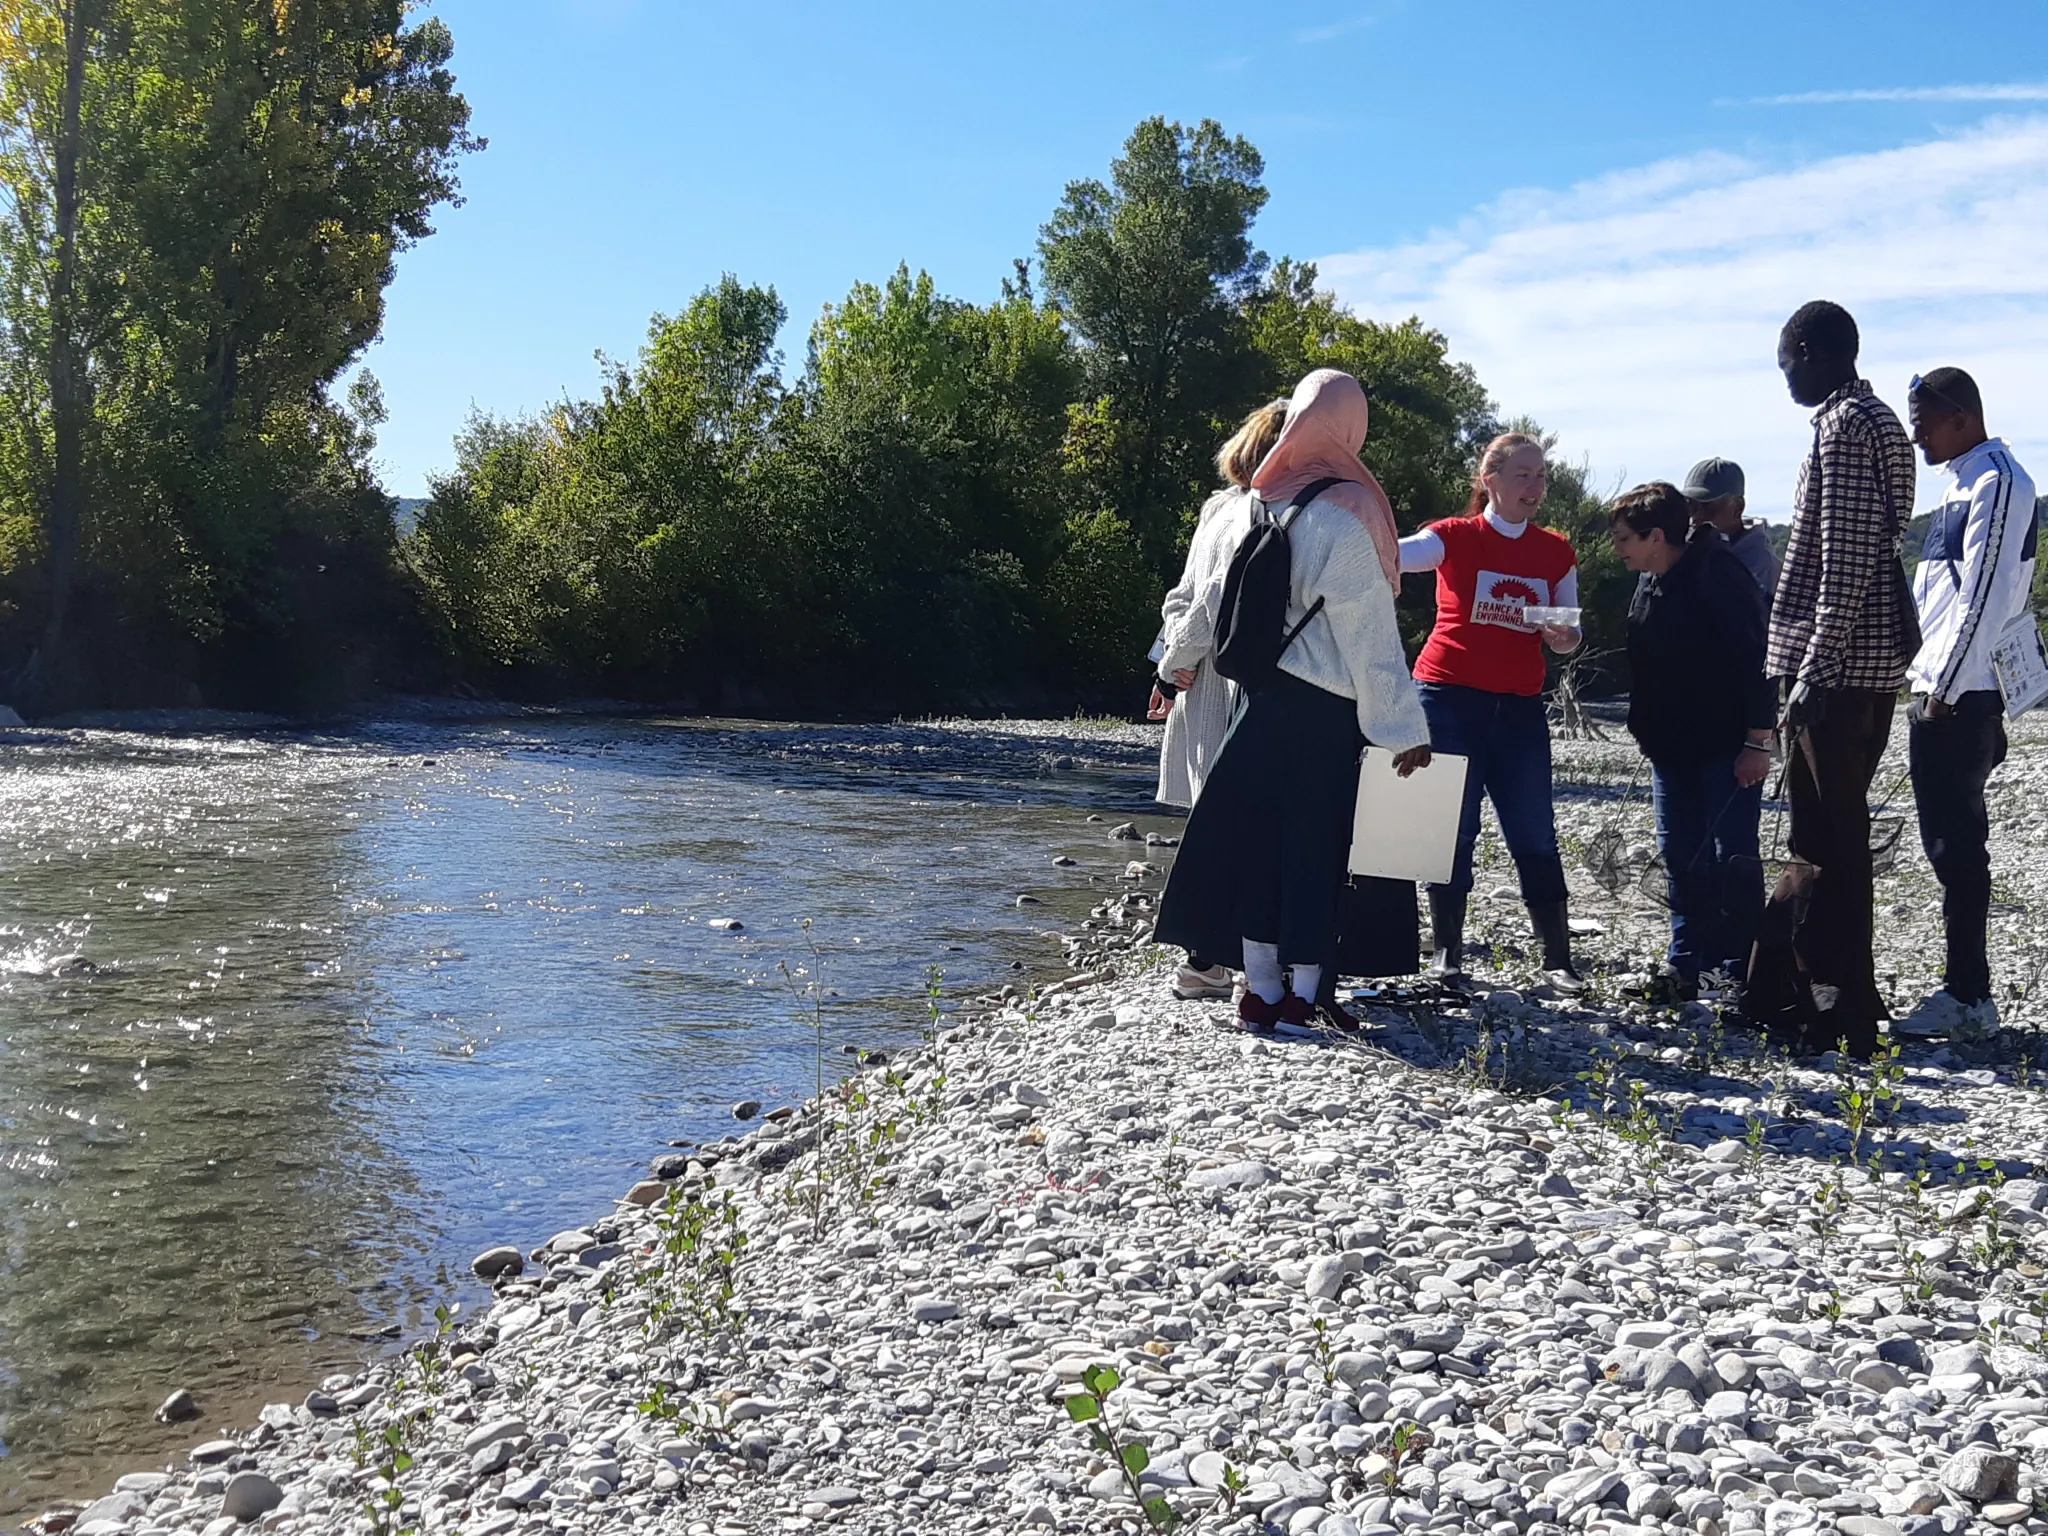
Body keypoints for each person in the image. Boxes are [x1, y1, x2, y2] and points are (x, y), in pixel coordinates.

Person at [1155, 369, 1430, 1031]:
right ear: (1349, 429)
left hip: (1253, 703)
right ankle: (1306, 991)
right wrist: (1403, 728)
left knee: (1255, 845)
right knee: (1314, 848)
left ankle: (1260, 989)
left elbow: (1200, 608)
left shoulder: (1240, 509)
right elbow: (1369, 642)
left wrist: (1172, 667)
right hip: (1323, 711)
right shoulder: (1345, 515)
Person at [1749, 300, 1919, 1058]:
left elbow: (1844, 563)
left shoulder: (1845, 427)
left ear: (1813, 351)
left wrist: (1812, 669)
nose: (1785, 380)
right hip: (1868, 665)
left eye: (1787, 364)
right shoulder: (1879, 420)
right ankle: (1824, 996)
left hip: (1839, 668)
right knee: (1836, 841)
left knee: (1824, 844)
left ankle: (1831, 1008)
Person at [1400, 432, 1587, 993]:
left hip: (1520, 710)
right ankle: (1449, 955)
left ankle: (1558, 961)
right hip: (1447, 699)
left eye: (1541, 476)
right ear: (1491, 481)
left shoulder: (1556, 551)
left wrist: (1562, 636)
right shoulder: (1453, 537)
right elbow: (1397, 556)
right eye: (1524, 475)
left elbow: (1569, 637)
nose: (1535, 487)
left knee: (1534, 829)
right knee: (1451, 831)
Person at [1898, 367, 2038, 1037]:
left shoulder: (1999, 482)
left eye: (1923, 419)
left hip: (1963, 695)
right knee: (1945, 846)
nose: (1917, 433)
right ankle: (1964, 987)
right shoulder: (1961, 484)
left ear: (1961, 415)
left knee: (1960, 847)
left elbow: (1983, 596)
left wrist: (1944, 690)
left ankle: (1969, 995)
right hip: (1940, 686)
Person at [1609, 482, 1776, 1001]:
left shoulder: (1720, 575)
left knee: (1731, 857)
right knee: (1678, 854)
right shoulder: (1650, 579)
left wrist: (1757, 742)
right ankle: (1685, 964)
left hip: (1725, 745)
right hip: (1670, 748)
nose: (1617, 549)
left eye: (1623, 539)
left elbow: (1758, 661)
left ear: (1655, 536)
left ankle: (1737, 969)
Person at [1148, 398, 1289, 1000]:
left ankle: (1210, 956)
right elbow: (1208, 598)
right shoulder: (1264, 511)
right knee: (1243, 818)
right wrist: (1174, 664)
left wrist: (1165, 665)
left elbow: (1183, 597)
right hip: (1236, 676)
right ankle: (1220, 955)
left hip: (1199, 671)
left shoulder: (1216, 507)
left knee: (1213, 813)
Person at [1681, 457, 1779, 602]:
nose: (1695, 517)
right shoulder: (1685, 550)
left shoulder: (1760, 564)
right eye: (1691, 506)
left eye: (1708, 507)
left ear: (1738, 507)